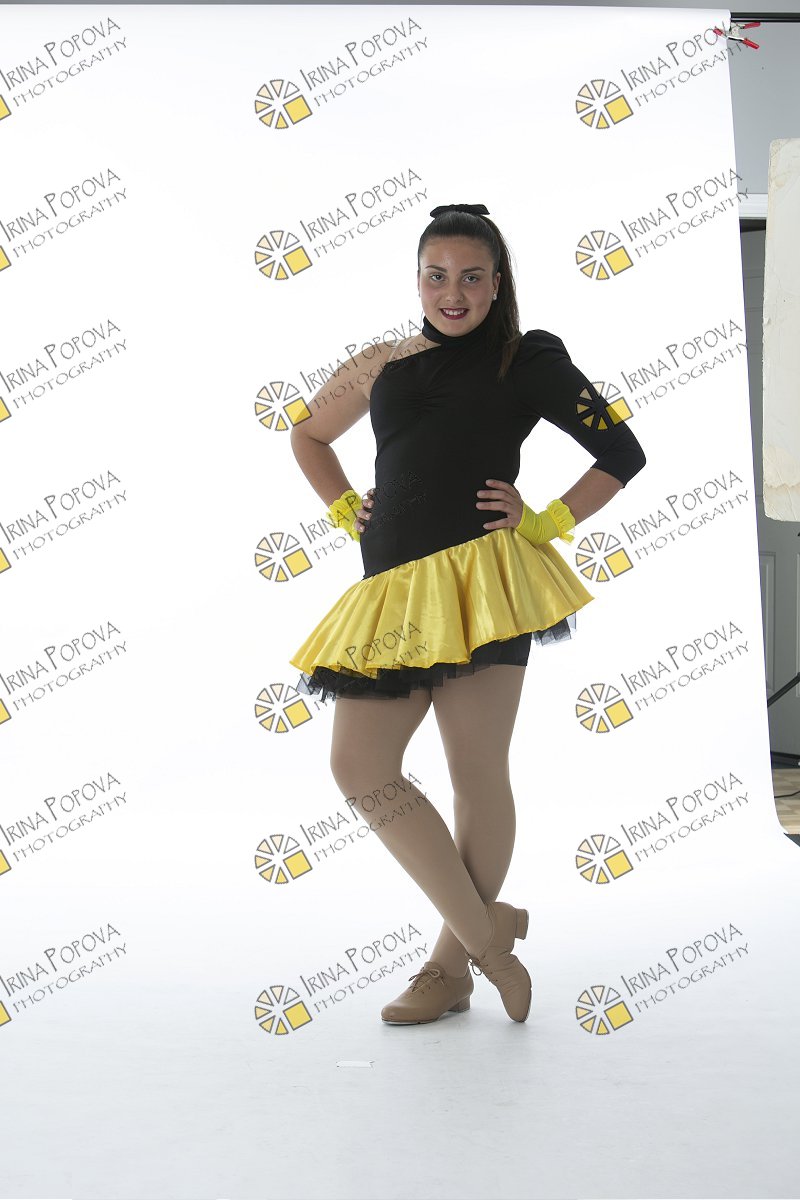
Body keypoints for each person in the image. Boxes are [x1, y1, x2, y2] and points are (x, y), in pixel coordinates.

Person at [289, 203, 646, 1025]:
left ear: (496, 282)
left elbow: (622, 452)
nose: (453, 293)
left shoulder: (527, 358)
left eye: (471, 277)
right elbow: (308, 437)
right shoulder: (378, 362)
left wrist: (545, 521)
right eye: (437, 276)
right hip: (392, 591)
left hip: (486, 587)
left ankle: (447, 970)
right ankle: (491, 937)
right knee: (360, 767)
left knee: (475, 773)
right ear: (417, 280)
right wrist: (345, 509)